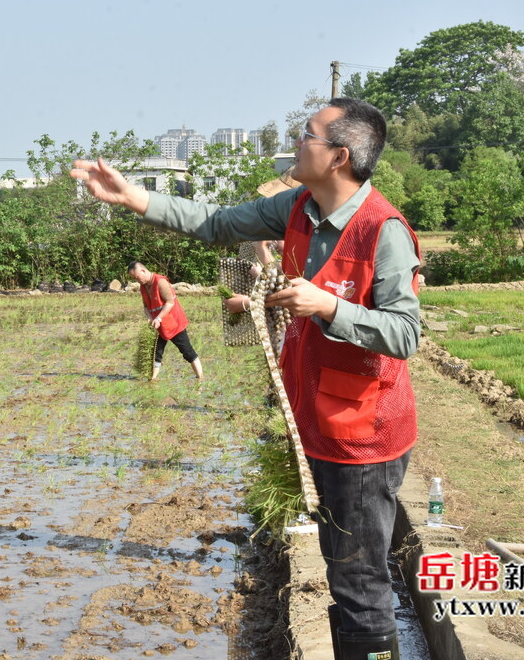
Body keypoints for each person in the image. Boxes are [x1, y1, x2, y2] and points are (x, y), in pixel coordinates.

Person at [73, 98, 419, 660]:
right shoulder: (299, 207)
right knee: (341, 574)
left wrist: (327, 306)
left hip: (364, 437)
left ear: (339, 156)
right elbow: (218, 222)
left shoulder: (384, 231)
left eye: (307, 134)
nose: (296, 142)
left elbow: (405, 334)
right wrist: (134, 197)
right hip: (320, 422)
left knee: (361, 583)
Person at [128, 260, 203, 381]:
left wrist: (158, 318)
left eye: (137, 277)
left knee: (187, 352)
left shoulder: (160, 281)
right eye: (134, 279)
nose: (137, 280)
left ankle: (200, 378)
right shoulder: (143, 287)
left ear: (143, 271)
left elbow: (170, 302)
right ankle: (152, 379)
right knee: (155, 353)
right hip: (158, 325)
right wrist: (150, 318)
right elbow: (146, 307)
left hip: (173, 323)